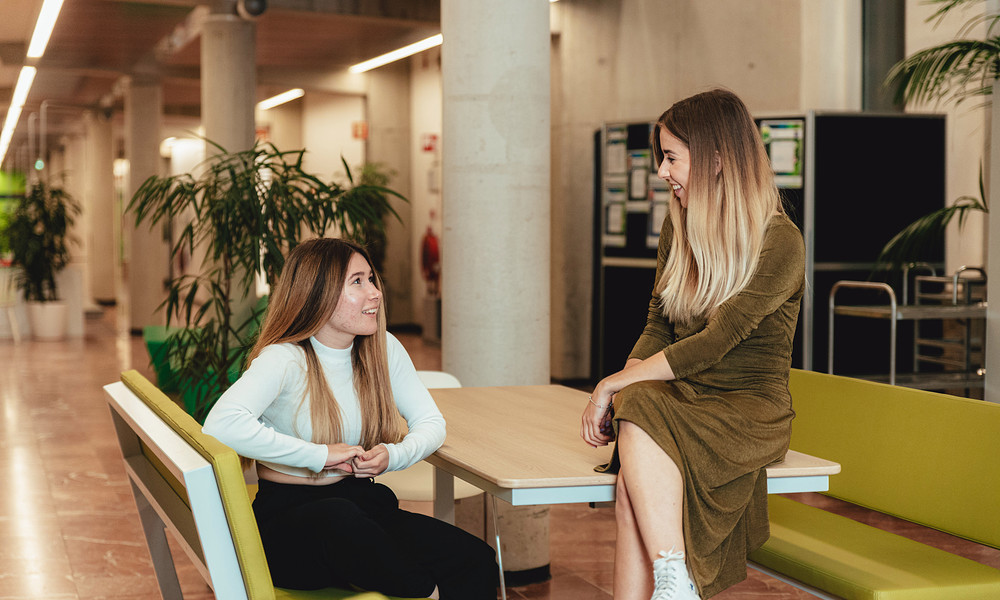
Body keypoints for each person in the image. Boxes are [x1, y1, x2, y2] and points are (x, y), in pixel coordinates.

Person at [580, 89, 805, 600]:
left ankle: (674, 576)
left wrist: (611, 385)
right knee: (629, 490)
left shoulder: (779, 240)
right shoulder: (677, 227)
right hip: (685, 396)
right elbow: (659, 324)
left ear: (719, 158)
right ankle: (673, 580)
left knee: (634, 417)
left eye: (671, 157)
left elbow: (714, 342)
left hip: (748, 409)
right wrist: (623, 383)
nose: (661, 170)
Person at [203, 238, 498, 600]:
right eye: (357, 282)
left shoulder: (383, 349)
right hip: (289, 525)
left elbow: (432, 423)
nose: (375, 293)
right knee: (342, 520)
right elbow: (221, 424)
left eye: (372, 279)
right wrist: (320, 455)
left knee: (476, 559)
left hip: (362, 510)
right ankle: (425, 593)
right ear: (317, 293)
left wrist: (394, 455)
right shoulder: (284, 358)